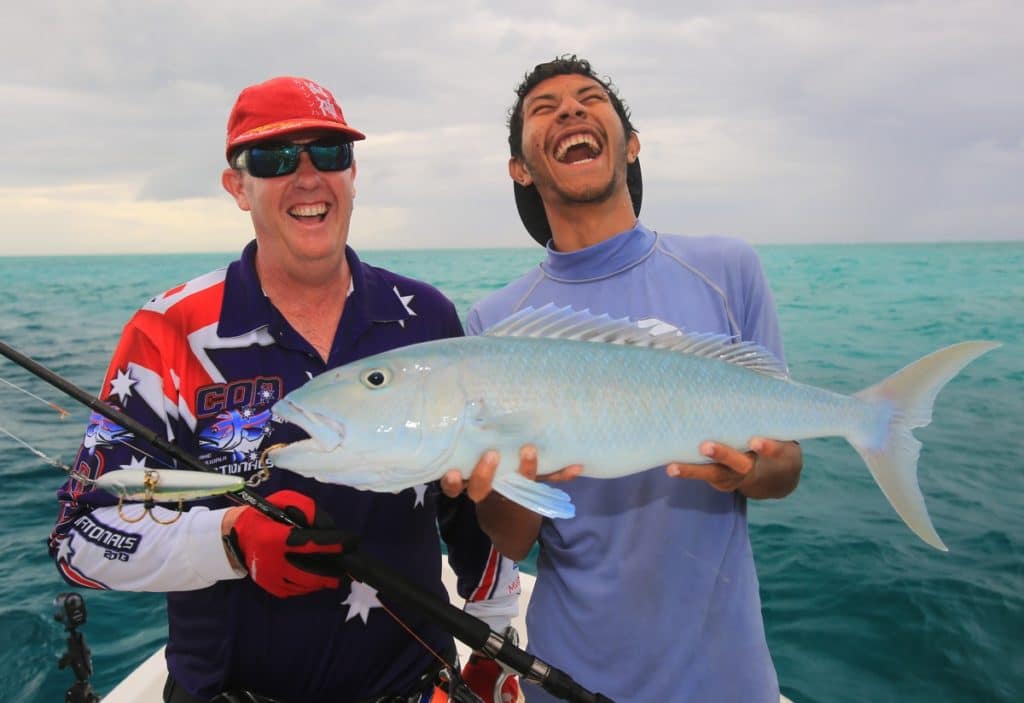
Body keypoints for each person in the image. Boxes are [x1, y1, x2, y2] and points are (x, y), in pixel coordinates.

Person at [48, 76, 521, 703]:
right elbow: (82, 536)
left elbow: (467, 507)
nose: (307, 177)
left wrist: (495, 642)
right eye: (273, 159)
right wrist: (230, 540)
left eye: (329, 153)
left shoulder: (424, 317)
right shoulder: (169, 331)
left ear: (353, 174)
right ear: (237, 187)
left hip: (416, 688)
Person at [444, 56, 804, 702]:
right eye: (544, 108)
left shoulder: (727, 270)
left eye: (590, 99)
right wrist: (513, 479)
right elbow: (513, 536)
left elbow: (786, 466)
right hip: (573, 677)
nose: (571, 110)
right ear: (520, 169)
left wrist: (748, 470)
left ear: (630, 145)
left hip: (730, 681)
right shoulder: (495, 321)